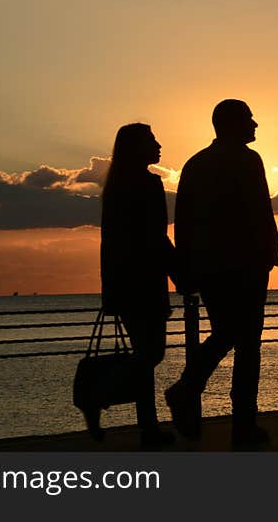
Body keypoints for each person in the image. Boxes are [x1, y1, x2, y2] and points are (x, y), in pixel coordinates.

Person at [165, 99, 278, 446]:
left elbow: (182, 222)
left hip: (210, 267)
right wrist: (272, 250)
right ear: (231, 123)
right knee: (246, 343)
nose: (255, 124)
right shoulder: (248, 160)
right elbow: (262, 208)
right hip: (246, 264)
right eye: (249, 118)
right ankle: (232, 417)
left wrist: (184, 269)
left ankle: (226, 413)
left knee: (228, 334)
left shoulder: (195, 164)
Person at [89, 123, 176, 448]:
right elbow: (157, 238)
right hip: (147, 282)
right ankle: (101, 395)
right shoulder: (148, 184)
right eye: (152, 140)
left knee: (145, 356)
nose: (159, 145)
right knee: (151, 354)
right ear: (137, 147)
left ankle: (149, 430)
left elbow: (108, 244)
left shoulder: (115, 188)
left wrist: (110, 290)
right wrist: (180, 274)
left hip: (124, 283)